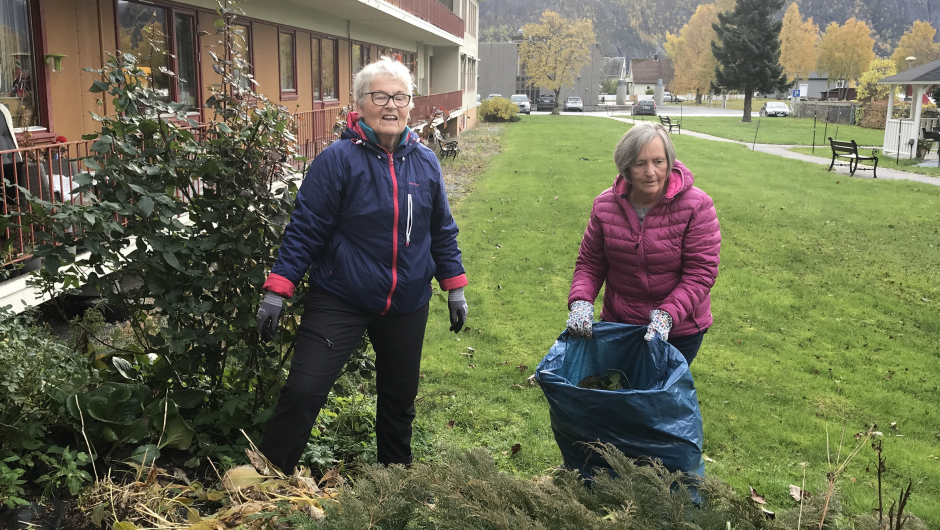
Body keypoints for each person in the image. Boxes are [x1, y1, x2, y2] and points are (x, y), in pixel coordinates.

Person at [254, 57, 469, 473]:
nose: (391, 105)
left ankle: (393, 485)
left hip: (407, 301)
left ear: (411, 104)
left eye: (400, 96)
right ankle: (267, 483)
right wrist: (278, 288)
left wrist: (454, 285)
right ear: (360, 104)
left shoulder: (425, 162)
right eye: (380, 96)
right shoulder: (337, 160)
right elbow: (306, 228)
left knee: (398, 400)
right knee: (304, 389)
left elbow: (441, 229)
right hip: (342, 296)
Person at [566, 122, 720, 365]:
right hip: (620, 323)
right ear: (626, 167)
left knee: (656, 399)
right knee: (615, 393)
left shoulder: (697, 206)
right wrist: (581, 301)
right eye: (640, 164)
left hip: (679, 329)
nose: (651, 172)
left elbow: (701, 272)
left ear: (669, 162)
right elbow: (590, 263)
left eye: (658, 161)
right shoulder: (604, 206)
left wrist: (666, 316)